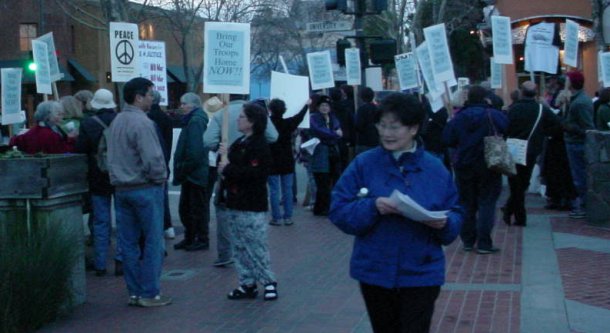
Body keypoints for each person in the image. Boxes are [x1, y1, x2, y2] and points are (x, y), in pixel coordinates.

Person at [329, 93, 463, 333]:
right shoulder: (363, 163)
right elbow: (339, 210)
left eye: (394, 127)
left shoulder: (435, 168)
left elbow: (455, 212)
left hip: (422, 270)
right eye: (382, 126)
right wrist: (372, 206)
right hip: (375, 270)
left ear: (413, 128)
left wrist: (445, 223)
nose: (386, 133)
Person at [107, 77, 170, 307]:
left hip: (122, 189)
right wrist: (160, 178)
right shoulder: (142, 123)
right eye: (150, 94)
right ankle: (149, 292)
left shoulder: (117, 121)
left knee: (128, 243)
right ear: (138, 97)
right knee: (154, 242)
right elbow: (153, 158)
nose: (152, 98)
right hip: (144, 187)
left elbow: (109, 155)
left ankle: (134, 292)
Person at [204, 95, 278, 267]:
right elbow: (273, 136)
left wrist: (222, 149)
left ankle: (225, 253)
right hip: (249, 178)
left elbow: (208, 140)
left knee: (223, 207)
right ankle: (251, 256)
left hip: (228, 169)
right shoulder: (256, 113)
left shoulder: (222, 114)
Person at [217, 102, 278, 301]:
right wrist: (224, 155)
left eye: (242, 117)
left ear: (252, 122)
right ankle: (247, 282)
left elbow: (256, 174)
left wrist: (227, 169)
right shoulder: (240, 142)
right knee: (239, 246)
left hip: (251, 204)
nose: (238, 119)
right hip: (235, 202)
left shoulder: (259, 145)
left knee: (255, 244)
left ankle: (268, 281)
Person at [442, 85, 508, 254]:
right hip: (489, 163)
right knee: (487, 202)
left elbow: (448, 139)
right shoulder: (493, 115)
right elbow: (507, 128)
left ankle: (468, 240)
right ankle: (484, 242)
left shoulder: (458, 117)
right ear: (486, 98)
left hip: (464, 164)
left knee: (466, 203)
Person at [75, 88, 122, 276]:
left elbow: (81, 149)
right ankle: (120, 260)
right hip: (119, 175)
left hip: (97, 176)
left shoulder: (88, 123)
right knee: (122, 220)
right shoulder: (120, 120)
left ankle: (100, 262)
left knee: (101, 222)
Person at [501, 81, 560, 226]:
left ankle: (513, 213)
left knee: (515, 183)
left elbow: (504, 127)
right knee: (523, 182)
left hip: (513, 148)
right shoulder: (541, 109)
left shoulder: (513, 109)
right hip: (531, 149)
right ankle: (514, 213)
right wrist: (543, 134)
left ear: (521, 92)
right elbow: (557, 124)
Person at [172, 93, 210, 251]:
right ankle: (191, 237)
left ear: (193, 105)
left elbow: (195, 151)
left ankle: (199, 238)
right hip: (192, 172)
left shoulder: (195, 121)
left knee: (194, 209)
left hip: (193, 173)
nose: (181, 106)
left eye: (183, 104)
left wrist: (183, 168)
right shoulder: (194, 120)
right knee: (188, 208)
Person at [268, 98, 309, 226]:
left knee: (274, 190)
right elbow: (299, 117)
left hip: (272, 160)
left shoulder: (267, 124)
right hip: (287, 159)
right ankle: (288, 217)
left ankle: (276, 217)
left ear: (270, 110)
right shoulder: (288, 123)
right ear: (284, 110)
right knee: (287, 189)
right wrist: (306, 105)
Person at [563, 71, 595, 219]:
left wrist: (570, 127)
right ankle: (582, 204)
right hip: (574, 142)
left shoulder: (580, 102)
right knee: (578, 176)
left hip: (577, 144)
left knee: (579, 176)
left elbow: (589, 128)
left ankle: (583, 205)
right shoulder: (576, 100)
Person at [147, 91, 175, 239]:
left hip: (150, 163)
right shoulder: (166, 118)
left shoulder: (146, 118)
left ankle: (157, 228)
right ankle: (167, 225)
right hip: (164, 160)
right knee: (163, 197)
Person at [310, 95, 342, 216]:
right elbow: (320, 131)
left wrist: (333, 134)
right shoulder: (313, 118)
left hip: (333, 151)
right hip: (320, 152)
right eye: (322, 105)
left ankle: (326, 206)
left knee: (333, 179)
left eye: (327, 105)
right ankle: (321, 208)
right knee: (322, 182)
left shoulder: (333, 117)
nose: (324, 108)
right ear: (318, 107)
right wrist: (334, 134)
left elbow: (339, 131)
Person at [10, 101, 76, 154]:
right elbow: (63, 151)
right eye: (58, 114)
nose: (61, 117)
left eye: (62, 114)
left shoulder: (32, 131)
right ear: (48, 116)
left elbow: (15, 141)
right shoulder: (51, 135)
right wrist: (71, 139)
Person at [354, 87, 379, 155]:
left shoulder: (362, 109)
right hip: (375, 140)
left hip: (364, 141)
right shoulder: (377, 108)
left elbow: (358, 125)